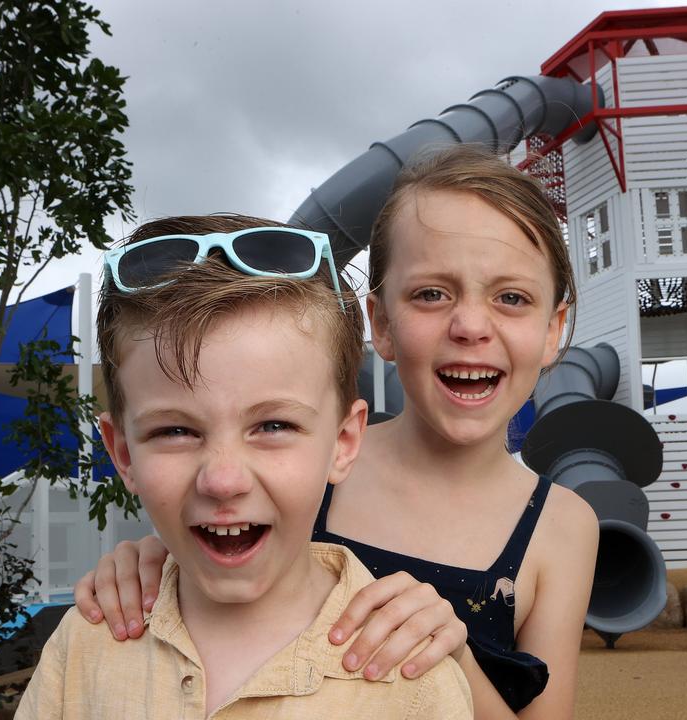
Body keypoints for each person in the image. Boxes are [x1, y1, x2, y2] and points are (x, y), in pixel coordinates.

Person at [74, 146, 600, 718]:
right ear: (381, 323)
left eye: (511, 298)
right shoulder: (305, 458)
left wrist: (452, 659)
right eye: (431, 293)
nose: (470, 325)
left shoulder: (563, 526)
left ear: (554, 331)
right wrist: (149, 566)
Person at [17, 216, 473, 719]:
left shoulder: (418, 684)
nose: (223, 479)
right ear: (123, 453)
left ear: (343, 442)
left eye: (273, 426)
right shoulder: (82, 648)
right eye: (175, 431)